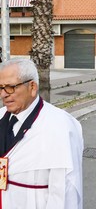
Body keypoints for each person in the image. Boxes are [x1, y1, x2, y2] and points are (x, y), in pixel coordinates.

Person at [0, 58, 83, 209]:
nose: (3, 95)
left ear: (32, 87)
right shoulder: (0, 116)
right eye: (0, 88)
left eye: (10, 87)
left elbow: (65, 191)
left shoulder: (60, 126)